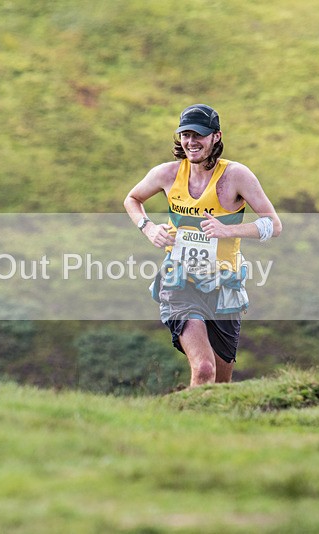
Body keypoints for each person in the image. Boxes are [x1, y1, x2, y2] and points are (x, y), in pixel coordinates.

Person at [124, 104, 281, 387]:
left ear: (216, 137)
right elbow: (132, 199)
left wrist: (228, 230)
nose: (191, 142)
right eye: (185, 134)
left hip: (225, 287)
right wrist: (148, 229)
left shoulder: (236, 176)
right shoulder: (167, 174)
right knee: (204, 369)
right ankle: (184, 429)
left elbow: (273, 225)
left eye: (199, 135)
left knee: (220, 385)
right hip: (179, 282)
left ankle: (206, 428)